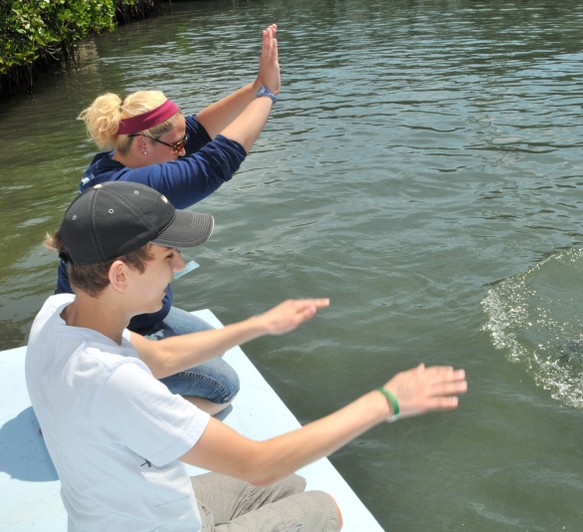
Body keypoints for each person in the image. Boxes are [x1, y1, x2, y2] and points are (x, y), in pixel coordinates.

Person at [27, 181, 468, 531]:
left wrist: (259, 325)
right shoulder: (113, 381)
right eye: (168, 255)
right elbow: (257, 464)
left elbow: (160, 359)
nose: (180, 265)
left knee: (289, 481)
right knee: (324, 508)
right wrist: (387, 400)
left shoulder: (59, 315)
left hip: (118, 514)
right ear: (120, 274)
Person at [54, 24, 284, 414]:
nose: (184, 150)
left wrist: (254, 85)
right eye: (176, 146)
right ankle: (115, 415)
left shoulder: (116, 163)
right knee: (222, 387)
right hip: (111, 329)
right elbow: (214, 165)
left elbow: (196, 132)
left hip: (129, 311)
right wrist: (268, 95)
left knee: (216, 345)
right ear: (143, 144)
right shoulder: (129, 191)